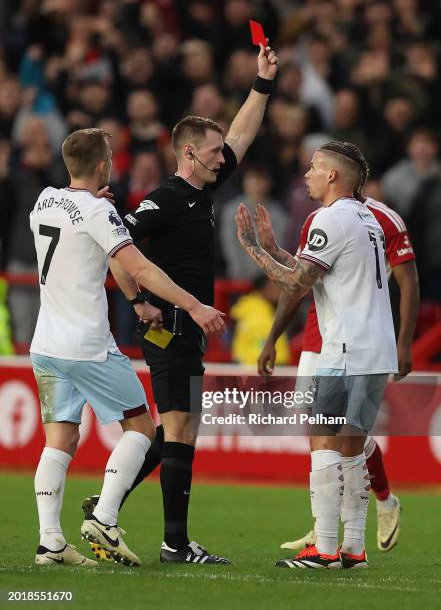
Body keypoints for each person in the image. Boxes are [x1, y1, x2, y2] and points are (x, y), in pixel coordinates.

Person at [83, 42, 279, 566]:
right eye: (214, 151)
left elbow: (240, 134)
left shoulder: (202, 193)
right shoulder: (167, 198)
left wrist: (261, 84)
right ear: (190, 153)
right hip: (169, 325)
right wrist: (136, 301)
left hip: (184, 326)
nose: (224, 156)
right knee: (181, 426)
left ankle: (107, 505)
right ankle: (171, 542)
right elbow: (115, 245)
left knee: (177, 427)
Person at [31, 128, 225, 567]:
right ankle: (105, 518)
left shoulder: (43, 199)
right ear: (104, 165)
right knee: (142, 429)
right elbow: (138, 266)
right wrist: (194, 305)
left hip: (46, 343)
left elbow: (76, 220)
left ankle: (50, 543)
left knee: (59, 439)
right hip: (88, 344)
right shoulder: (99, 212)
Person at [236, 141, 398, 569]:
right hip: (377, 347)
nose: (306, 173)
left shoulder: (329, 217)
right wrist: (274, 249)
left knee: (324, 441)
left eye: (313, 167)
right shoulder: (368, 218)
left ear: (332, 176)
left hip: (344, 348)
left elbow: (298, 283)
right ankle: (354, 549)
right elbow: (321, 270)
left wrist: (252, 246)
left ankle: (325, 548)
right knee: (351, 447)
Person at [256, 196, 418, 553]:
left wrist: (404, 341)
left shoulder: (385, 219)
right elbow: (300, 279)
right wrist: (273, 337)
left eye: (318, 166)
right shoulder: (318, 216)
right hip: (319, 339)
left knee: (342, 436)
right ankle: (332, 531)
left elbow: (408, 281)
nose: (311, 173)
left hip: (356, 339)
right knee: (326, 436)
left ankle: (379, 504)